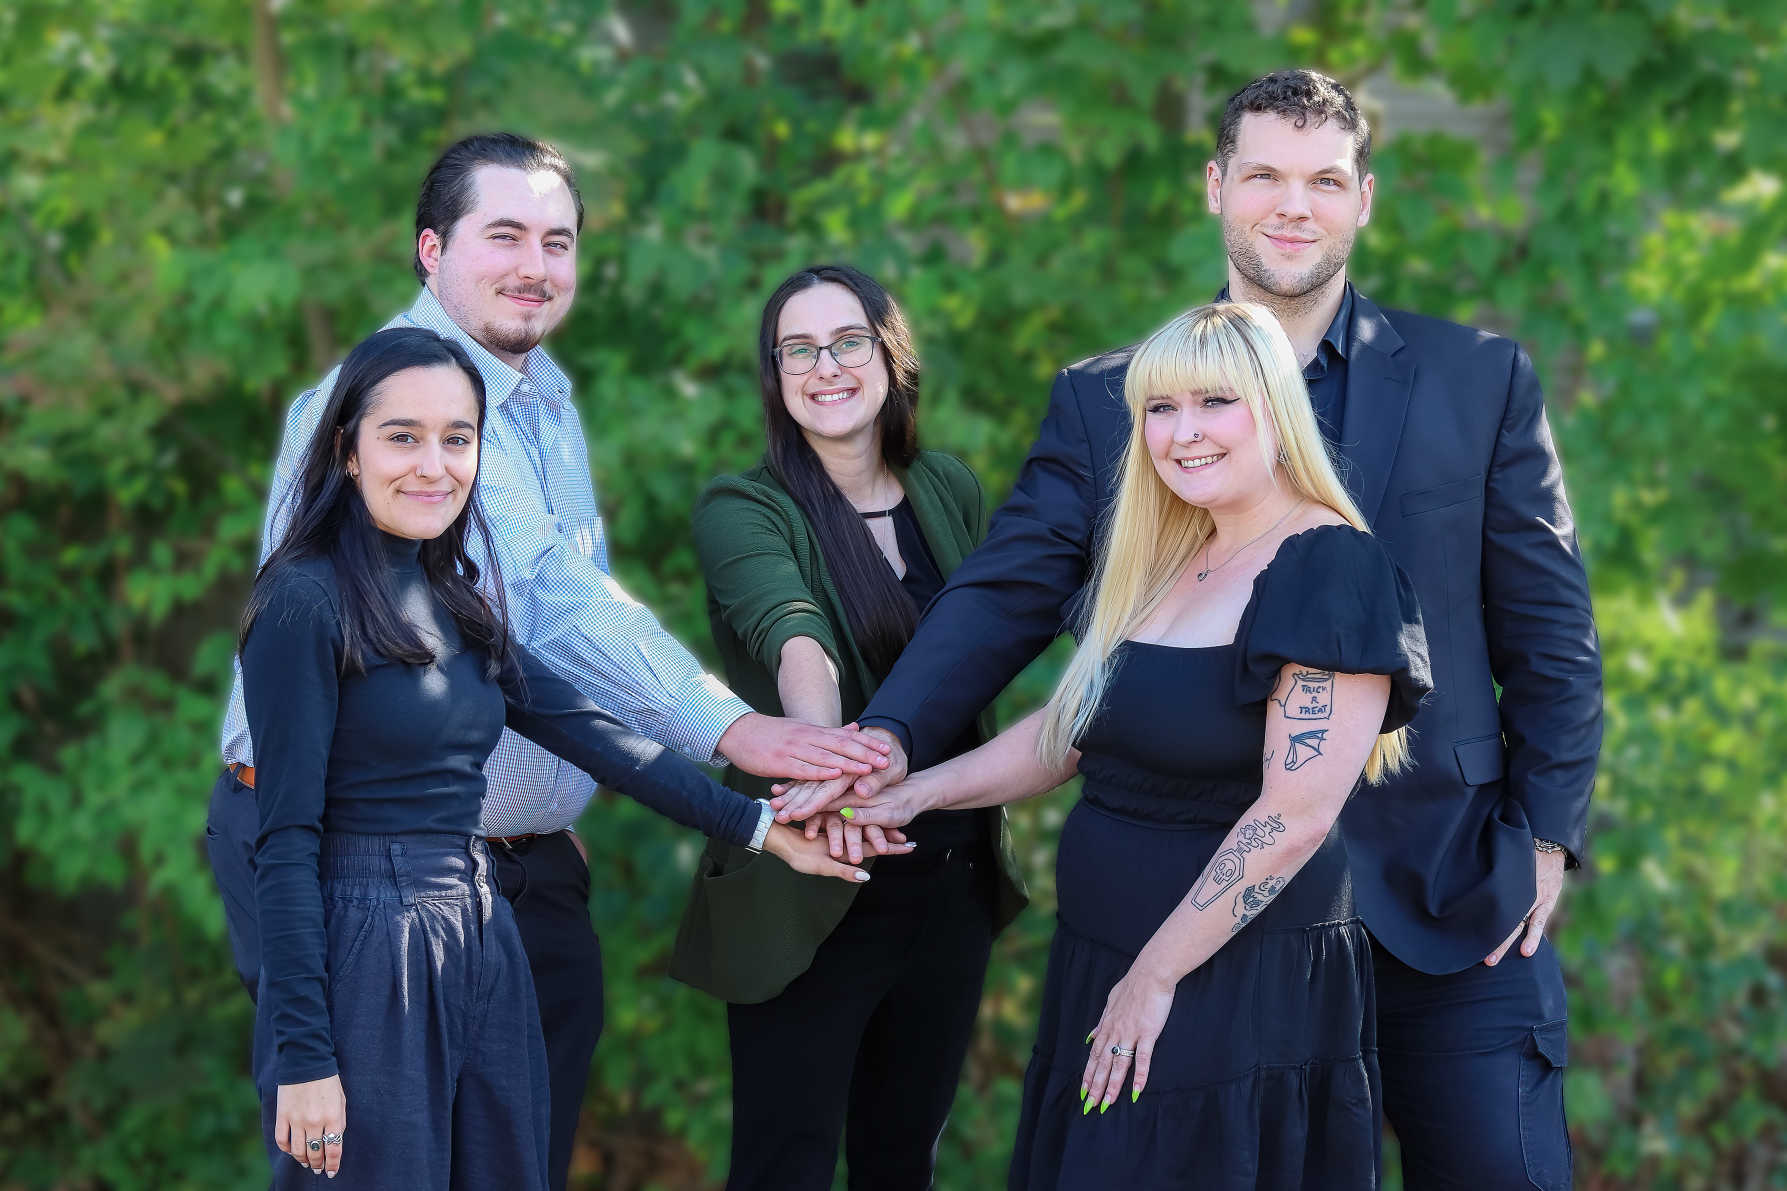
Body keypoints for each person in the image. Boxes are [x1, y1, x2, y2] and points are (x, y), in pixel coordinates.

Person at [782, 70, 1600, 1189]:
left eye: (1323, 181)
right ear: (1216, 186)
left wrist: (1545, 835)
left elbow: (1551, 635)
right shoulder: (1113, 402)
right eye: (1262, 175)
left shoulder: (1479, 378)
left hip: (1445, 895)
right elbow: (1003, 595)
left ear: (1363, 197)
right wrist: (889, 744)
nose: (1291, 205)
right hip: (1204, 932)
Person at [206, 132, 889, 1191]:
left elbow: (567, 714)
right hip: (342, 882)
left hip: (493, 882)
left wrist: (757, 824)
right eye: (505, 235)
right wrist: (738, 729)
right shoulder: (354, 462)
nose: (535, 265)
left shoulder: (525, 432)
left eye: (557, 241)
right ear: (431, 250)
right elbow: (554, 604)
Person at [841, 300, 1429, 1185]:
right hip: (1104, 952)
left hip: (1226, 975)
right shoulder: (1167, 554)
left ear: (1275, 411)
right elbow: (1075, 731)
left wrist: (1155, 975)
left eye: (1213, 402)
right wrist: (915, 792)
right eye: (1160, 408)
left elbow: (1294, 815)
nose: (1182, 432)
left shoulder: (1330, 565)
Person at [665, 265, 1029, 1190]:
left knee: (901, 1163)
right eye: (798, 349)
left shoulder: (948, 488)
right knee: (782, 1167)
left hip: (947, 878)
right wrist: (823, 772)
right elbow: (796, 638)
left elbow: (981, 642)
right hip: (810, 877)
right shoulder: (743, 506)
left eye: (846, 342)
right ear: (775, 374)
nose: (824, 366)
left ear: (888, 355)